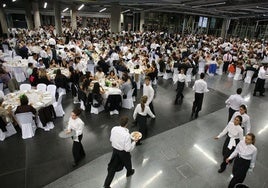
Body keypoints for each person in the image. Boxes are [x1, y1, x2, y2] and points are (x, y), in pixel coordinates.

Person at [103, 116, 136, 188]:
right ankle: (129, 172)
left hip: (115, 151)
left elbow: (111, 139)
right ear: (126, 124)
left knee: (112, 168)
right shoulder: (126, 135)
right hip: (123, 153)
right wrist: (134, 142)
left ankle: (106, 184)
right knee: (128, 161)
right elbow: (128, 149)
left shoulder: (114, 129)